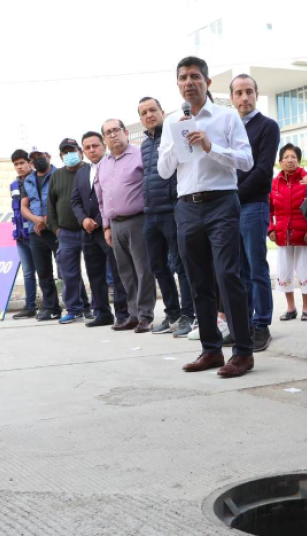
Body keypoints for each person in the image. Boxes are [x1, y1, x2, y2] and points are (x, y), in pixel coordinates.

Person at [158, 56, 255, 378]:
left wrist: (210, 145)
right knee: (197, 280)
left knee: (228, 276)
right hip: (186, 206)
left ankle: (243, 352)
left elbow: (246, 161)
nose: (189, 82)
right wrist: (176, 141)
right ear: (177, 84)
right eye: (183, 77)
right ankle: (211, 350)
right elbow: (163, 170)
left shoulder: (226, 117)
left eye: (195, 77)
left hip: (221, 202)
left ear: (207, 82)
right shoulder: (173, 122)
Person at [138, 97, 194, 338]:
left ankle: (188, 314)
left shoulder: (173, 133)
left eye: (152, 110)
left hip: (172, 209)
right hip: (151, 213)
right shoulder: (144, 145)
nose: (149, 115)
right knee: (158, 266)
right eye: (143, 113)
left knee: (180, 264)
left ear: (162, 112)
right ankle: (171, 312)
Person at [96, 119, 157, 334]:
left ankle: (145, 315)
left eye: (116, 130)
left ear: (125, 133)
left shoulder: (139, 155)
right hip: (115, 225)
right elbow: (101, 198)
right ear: (104, 138)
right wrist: (106, 226)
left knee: (143, 270)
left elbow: (150, 185)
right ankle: (132, 314)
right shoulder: (103, 164)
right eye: (108, 132)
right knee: (125, 273)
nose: (113, 135)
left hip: (138, 220)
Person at [232, 74, 279, 352]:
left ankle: (261, 324)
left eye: (249, 91)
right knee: (238, 270)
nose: (244, 98)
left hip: (252, 205)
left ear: (256, 94)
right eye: (238, 93)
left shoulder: (267, 127)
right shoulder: (230, 127)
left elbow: (263, 171)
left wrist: (233, 196)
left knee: (256, 266)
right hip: (230, 208)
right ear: (233, 97)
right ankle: (244, 324)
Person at [72, 132, 130, 329]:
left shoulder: (112, 165)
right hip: (88, 232)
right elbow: (76, 201)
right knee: (95, 274)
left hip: (108, 228)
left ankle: (123, 313)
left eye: (95, 146)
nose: (91, 150)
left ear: (103, 145)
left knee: (117, 271)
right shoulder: (81, 172)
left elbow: (112, 195)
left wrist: (97, 220)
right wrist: (83, 220)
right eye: (87, 148)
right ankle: (102, 313)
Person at [47, 138, 93, 324]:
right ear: (60, 156)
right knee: (68, 273)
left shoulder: (90, 170)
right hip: (65, 233)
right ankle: (74, 309)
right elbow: (50, 203)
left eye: (72, 151)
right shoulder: (56, 175)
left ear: (80, 152)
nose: (69, 155)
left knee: (94, 272)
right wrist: (55, 228)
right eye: (65, 152)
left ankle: (93, 308)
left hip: (89, 230)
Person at [269, 144, 307, 320]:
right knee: (284, 271)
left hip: (304, 233)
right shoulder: (274, 184)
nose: (290, 160)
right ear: (280, 162)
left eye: (293, 157)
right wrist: (270, 229)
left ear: (298, 160)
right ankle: (290, 308)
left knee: (304, 270)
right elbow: (269, 209)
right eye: (286, 157)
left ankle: (306, 308)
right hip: (282, 233)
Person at [20, 147, 62, 321]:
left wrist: (46, 220)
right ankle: (51, 308)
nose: (37, 160)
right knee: (43, 272)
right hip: (35, 231)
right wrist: (36, 220)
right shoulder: (28, 181)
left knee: (67, 270)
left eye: (40, 157)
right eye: (34, 158)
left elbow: (63, 201)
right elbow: (24, 206)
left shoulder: (60, 175)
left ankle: (81, 305)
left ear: (48, 157)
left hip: (57, 229)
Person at [9, 150, 37, 319]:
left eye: (22, 163)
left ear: (29, 163)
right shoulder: (13, 185)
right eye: (16, 164)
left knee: (44, 271)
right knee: (27, 273)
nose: (19, 167)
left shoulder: (37, 180)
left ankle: (51, 305)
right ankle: (30, 306)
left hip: (37, 233)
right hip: (20, 236)